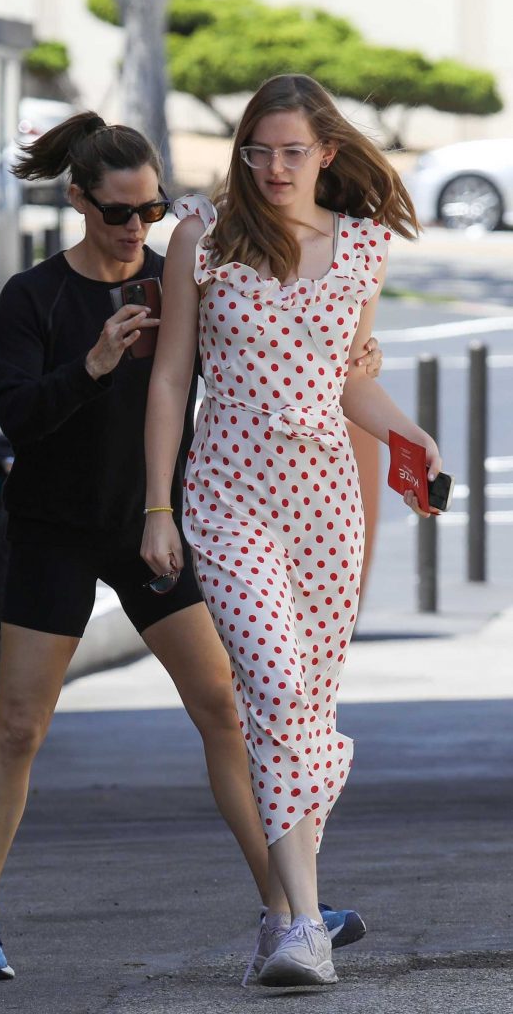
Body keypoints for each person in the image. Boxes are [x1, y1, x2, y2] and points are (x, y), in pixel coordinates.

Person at [0, 111, 384, 983]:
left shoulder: (179, 270)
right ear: (77, 201)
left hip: (164, 527)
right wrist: (95, 365)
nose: (138, 228)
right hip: (55, 528)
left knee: (226, 706)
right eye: (120, 213)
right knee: (20, 724)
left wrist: (351, 356)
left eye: (151, 209)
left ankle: (291, 905)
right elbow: (18, 417)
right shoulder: (35, 297)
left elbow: (273, 345)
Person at [141, 73, 442, 988]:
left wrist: (409, 432)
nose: (272, 168)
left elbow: (347, 379)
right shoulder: (203, 236)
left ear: (328, 155)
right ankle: (306, 923)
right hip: (228, 497)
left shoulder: (361, 248)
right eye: (257, 150)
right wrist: (159, 507)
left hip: (324, 505)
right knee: (269, 684)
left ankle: (283, 922)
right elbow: (170, 379)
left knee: (305, 707)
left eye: (292, 151)